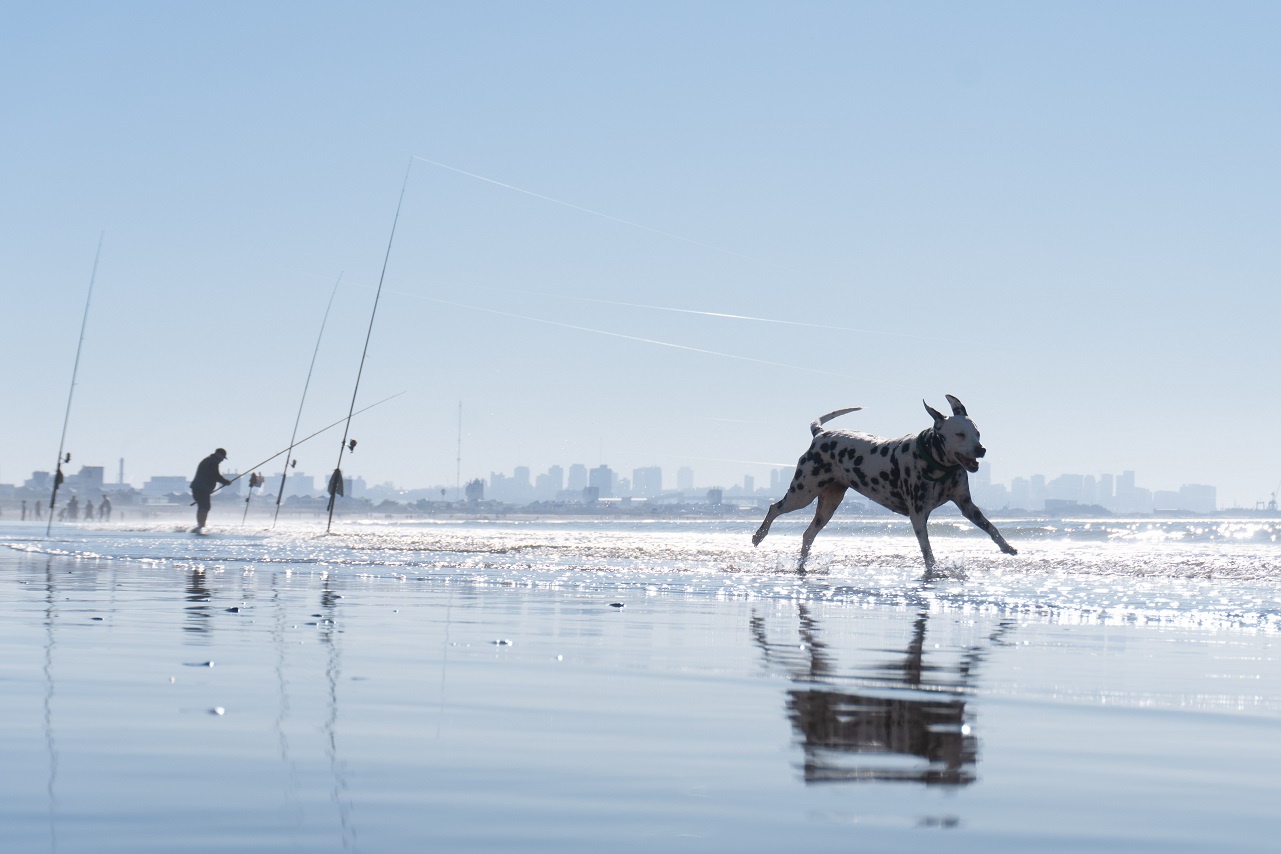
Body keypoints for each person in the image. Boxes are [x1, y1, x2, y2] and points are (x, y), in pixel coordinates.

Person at [191, 448, 231, 534]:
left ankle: (200, 526)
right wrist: (225, 482)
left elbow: (213, 475)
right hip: (202, 488)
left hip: (198, 488)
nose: (222, 459)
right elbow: (215, 475)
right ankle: (201, 526)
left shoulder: (208, 460)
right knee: (205, 507)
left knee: (202, 506)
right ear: (218, 454)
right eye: (223, 457)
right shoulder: (213, 462)